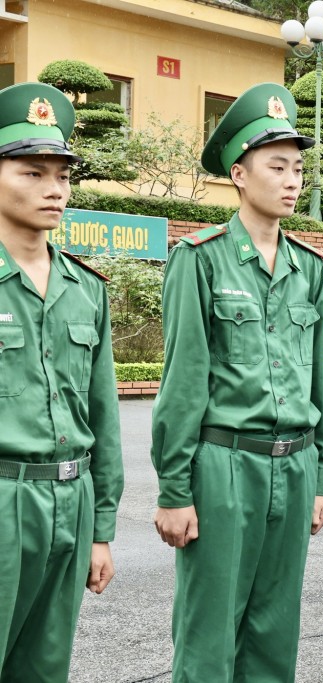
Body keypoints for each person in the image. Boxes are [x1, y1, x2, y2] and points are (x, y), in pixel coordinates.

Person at [150, 83, 323, 682]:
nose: (291, 180)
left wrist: (320, 475)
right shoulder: (200, 258)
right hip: (224, 466)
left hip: (294, 464)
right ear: (238, 173)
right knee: (210, 635)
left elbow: (322, 379)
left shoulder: (308, 266)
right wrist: (175, 489)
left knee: (274, 633)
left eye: (298, 169)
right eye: (276, 166)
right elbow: (182, 381)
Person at [0, 82, 124, 683]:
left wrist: (101, 531)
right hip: (2, 499)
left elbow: (103, 419)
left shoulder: (86, 289)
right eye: (32, 173)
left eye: (63, 175)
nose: (54, 188)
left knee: (46, 668)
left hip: (68, 504)